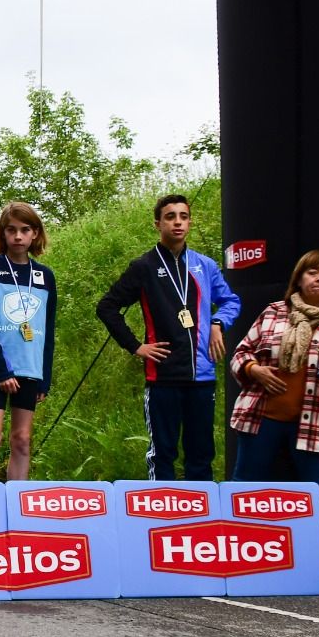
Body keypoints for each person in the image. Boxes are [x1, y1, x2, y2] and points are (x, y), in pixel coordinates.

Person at [229, 250, 319, 593]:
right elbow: (240, 354)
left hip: (317, 424)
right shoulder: (273, 314)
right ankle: (232, 560)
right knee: (245, 487)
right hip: (261, 416)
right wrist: (254, 370)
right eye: (312, 273)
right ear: (299, 278)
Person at [96, 193, 241, 480]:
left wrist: (217, 323)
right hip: (162, 377)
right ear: (157, 224)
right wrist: (136, 346)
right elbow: (107, 307)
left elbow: (231, 301)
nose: (178, 223)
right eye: (170, 217)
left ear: (189, 223)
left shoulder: (205, 266)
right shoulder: (144, 267)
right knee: (163, 452)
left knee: (201, 453)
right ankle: (161, 518)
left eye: (183, 217)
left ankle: (201, 518)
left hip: (202, 375)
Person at [0, 202, 56, 481]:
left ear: (35, 234)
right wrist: (1, 370)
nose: (18, 236)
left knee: (21, 439)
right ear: (3, 234)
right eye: (11, 230)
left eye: (25, 230)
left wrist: (45, 378)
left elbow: (48, 330)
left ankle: (16, 506)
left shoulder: (45, 277)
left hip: (29, 368)